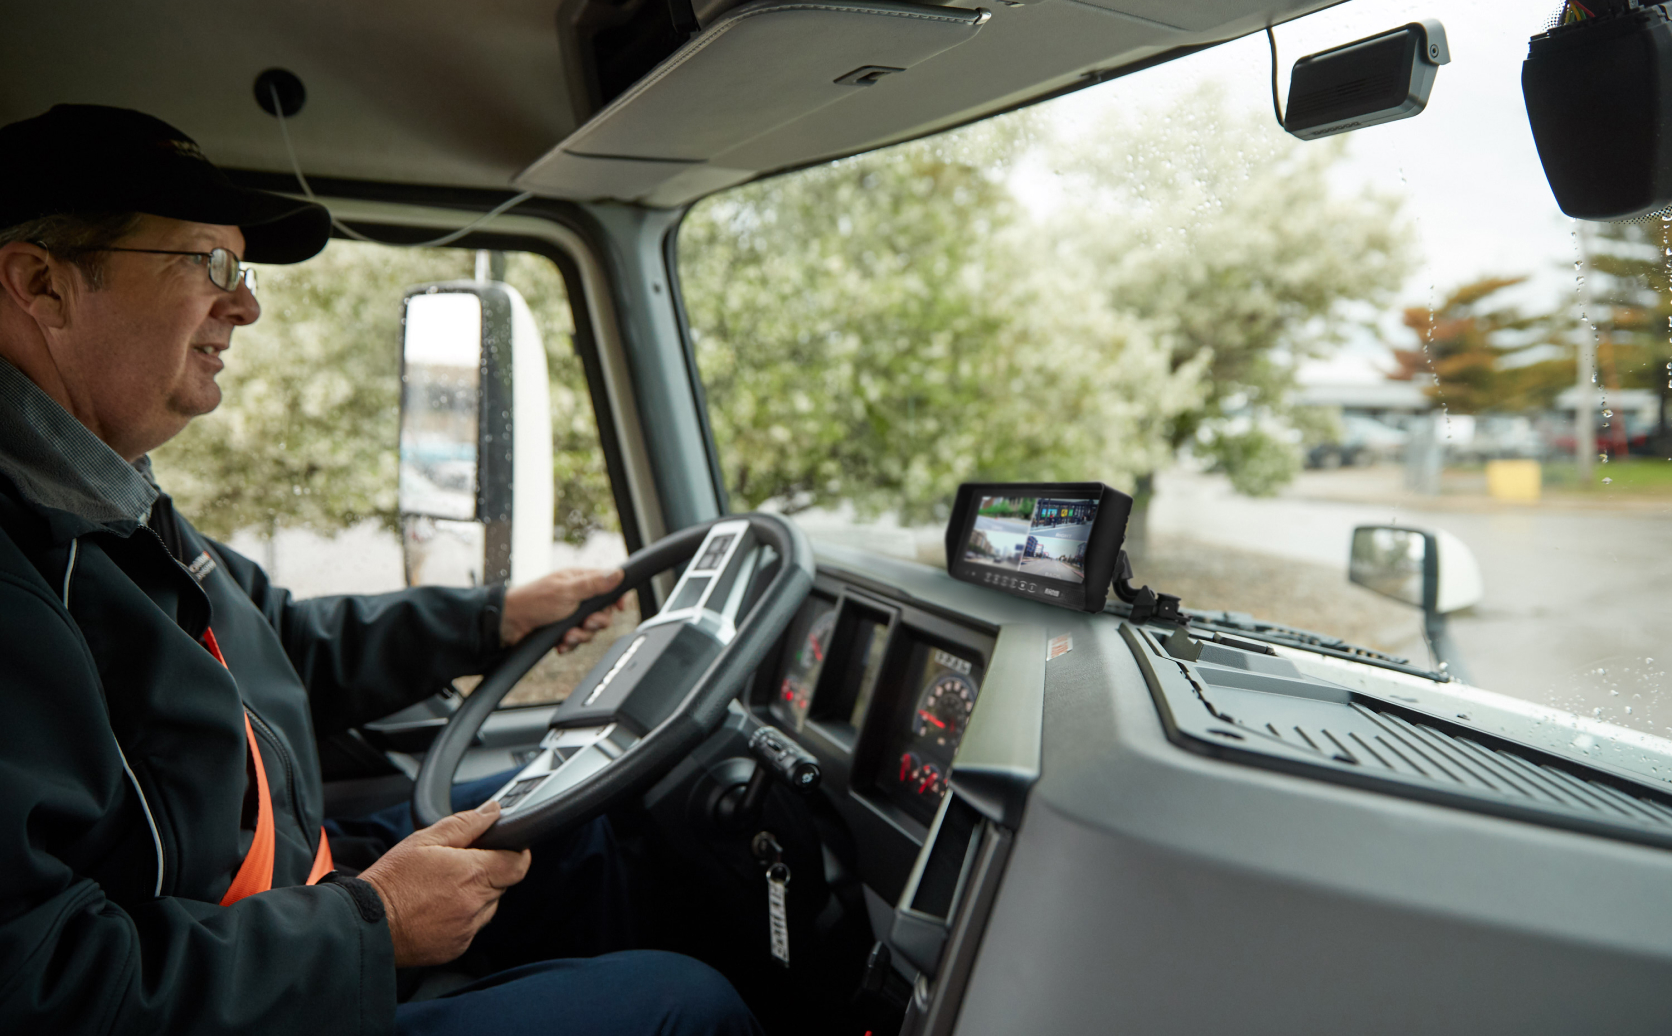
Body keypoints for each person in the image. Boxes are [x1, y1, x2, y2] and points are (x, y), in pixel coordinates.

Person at [0, 105, 762, 1036]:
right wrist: (373, 926)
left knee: (580, 824)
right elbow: (37, 986)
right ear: (41, 284)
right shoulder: (25, 569)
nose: (246, 304)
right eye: (212, 265)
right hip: (234, 988)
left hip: (281, 908)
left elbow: (279, 643)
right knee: (688, 1006)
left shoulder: (110, 503)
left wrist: (492, 616)